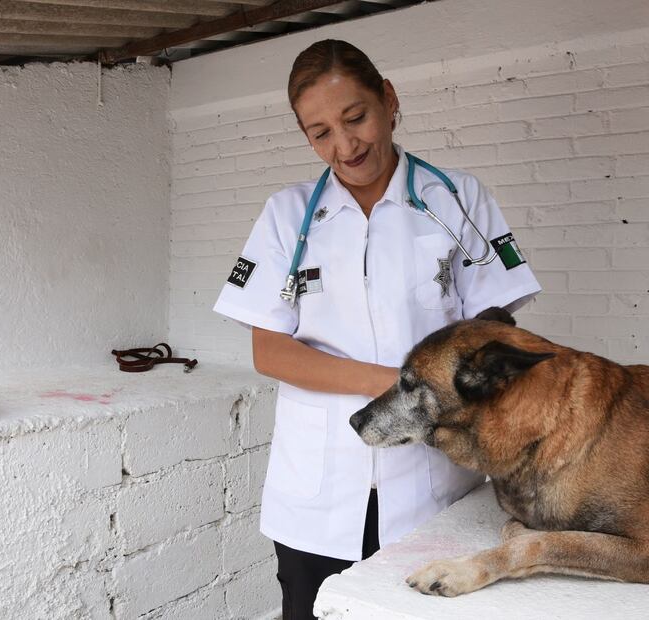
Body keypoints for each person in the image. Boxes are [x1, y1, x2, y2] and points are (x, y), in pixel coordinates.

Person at [212, 39, 541, 619]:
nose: (345, 146)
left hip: (433, 484)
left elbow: (494, 333)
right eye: (320, 133)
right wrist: (396, 386)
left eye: (356, 117)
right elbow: (271, 351)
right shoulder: (287, 215)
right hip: (318, 491)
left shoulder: (457, 199)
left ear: (388, 99)